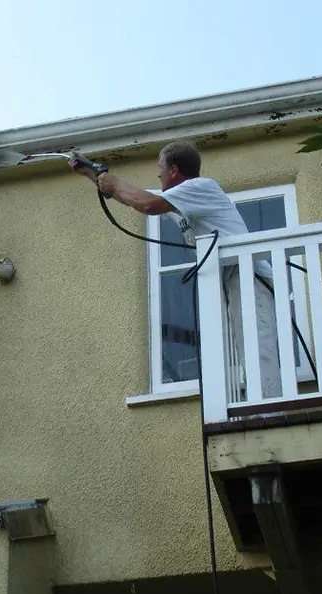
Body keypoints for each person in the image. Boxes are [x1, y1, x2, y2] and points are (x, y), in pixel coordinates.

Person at [68, 141, 282, 400]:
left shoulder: (200, 187)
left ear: (174, 171)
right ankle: (259, 405)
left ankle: (270, 408)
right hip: (230, 280)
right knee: (242, 346)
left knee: (258, 345)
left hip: (249, 274)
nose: (158, 173)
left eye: (161, 167)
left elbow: (146, 203)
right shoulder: (181, 201)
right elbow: (134, 197)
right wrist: (93, 174)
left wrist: (111, 181)